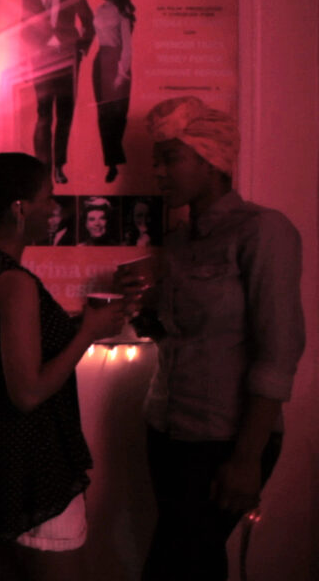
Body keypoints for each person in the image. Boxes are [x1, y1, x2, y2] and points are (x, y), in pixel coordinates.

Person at [122, 96, 305, 581]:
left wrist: (246, 458)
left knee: (174, 566)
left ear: (210, 159)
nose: (158, 172)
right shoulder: (180, 241)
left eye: (170, 159)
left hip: (225, 437)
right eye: (156, 161)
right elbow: (180, 337)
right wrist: (142, 310)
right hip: (167, 429)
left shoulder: (264, 231)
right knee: (195, 563)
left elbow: (279, 351)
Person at [0, 152, 126, 580]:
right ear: (20, 208)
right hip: (32, 457)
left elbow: (18, 350)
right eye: (47, 197)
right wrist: (88, 333)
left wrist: (81, 325)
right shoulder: (15, 284)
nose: (53, 207)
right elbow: (27, 392)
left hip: (2, 451)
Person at [21, 0, 94, 184]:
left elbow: (89, 21)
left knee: (65, 115)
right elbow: (25, 26)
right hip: (41, 60)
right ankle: (42, 170)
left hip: (67, 59)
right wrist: (30, 55)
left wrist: (81, 48)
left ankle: (59, 167)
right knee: (43, 114)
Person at [92, 0, 135, 183]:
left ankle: (117, 159)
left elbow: (127, 45)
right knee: (103, 115)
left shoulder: (122, 10)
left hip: (117, 61)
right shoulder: (99, 10)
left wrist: (122, 72)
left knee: (118, 114)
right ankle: (111, 164)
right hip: (100, 61)